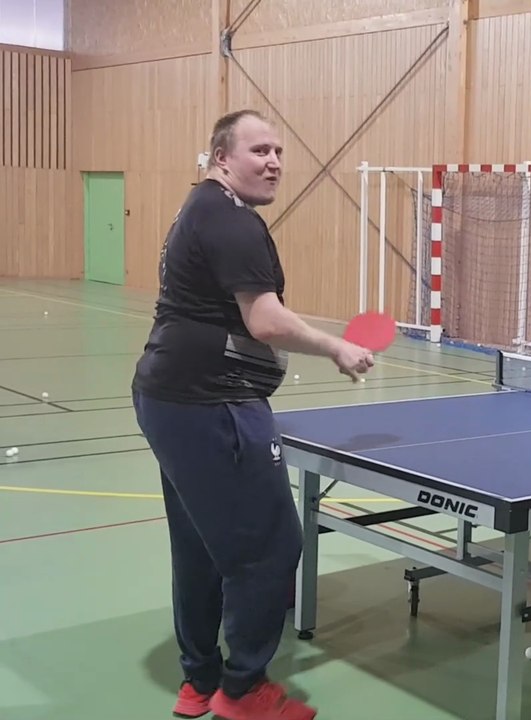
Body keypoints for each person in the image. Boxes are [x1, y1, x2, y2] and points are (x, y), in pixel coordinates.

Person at [131, 109, 376, 720]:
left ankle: (199, 681)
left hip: (171, 399)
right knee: (272, 547)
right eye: (258, 150)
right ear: (222, 159)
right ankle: (243, 691)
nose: (273, 162)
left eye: (278, 152)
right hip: (212, 404)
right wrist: (337, 345)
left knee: (199, 545)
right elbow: (264, 320)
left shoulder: (202, 209)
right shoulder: (231, 220)